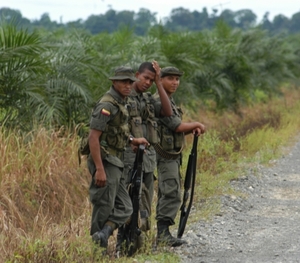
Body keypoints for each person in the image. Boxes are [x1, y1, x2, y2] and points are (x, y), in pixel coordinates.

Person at [87, 66, 149, 253]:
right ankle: (98, 252)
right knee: (104, 205)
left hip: (117, 160)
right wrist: (99, 168)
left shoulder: (120, 102)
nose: (128, 85)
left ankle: (104, 234)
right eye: (124, 81)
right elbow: (93, 137)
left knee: (125, 207)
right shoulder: (107, 105)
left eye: (130, 82)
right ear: (114, 82)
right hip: (106, 160)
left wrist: (132, 140)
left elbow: (115, 131)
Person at [116, 61, 172, 253]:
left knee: (144, 203)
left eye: (151, 79)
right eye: (145, 78)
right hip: (128, 160)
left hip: (147, 161)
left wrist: (159, 83)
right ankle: (121, 246)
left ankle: (137, 246)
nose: (148, 82)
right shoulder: (123, 97)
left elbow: (167, 111)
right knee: (127, 203)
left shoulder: (147, 99)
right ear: (137, 75)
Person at [153, 66, 205, 247]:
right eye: (170, 79)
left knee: (170, 190)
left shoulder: (169, 101)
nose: (175, 82)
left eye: (177, 79)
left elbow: (172, 130)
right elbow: (176, 126)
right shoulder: (159, 101)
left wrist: (192, 129)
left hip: (172, 155)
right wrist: (196, 124)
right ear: (161, 80)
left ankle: (163, 232)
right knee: (171, 191)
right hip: (165, 155)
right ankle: (163, 234)